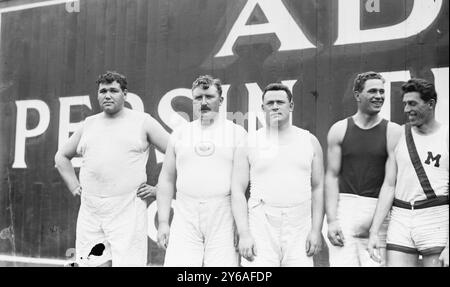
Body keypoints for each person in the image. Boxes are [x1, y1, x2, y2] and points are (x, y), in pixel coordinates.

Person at [55, 71, 169, 267]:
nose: (107, 95)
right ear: (98, 94)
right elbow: (61, 157)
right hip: (91, 211)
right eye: (103, 91)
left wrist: (159, 188)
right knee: (92, 264)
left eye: (114, 90)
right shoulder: (88, 124)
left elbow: (176, 153)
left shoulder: (143, 121)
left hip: (127, 209)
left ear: (125, 94)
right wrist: (74, 186)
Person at [156, 75, 247, 266]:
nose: (203, 102)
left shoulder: (237, 134)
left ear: (221, 100)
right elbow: (166, 179)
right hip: (185, 211)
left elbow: (241, 187)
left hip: (223, 212)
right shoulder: (180, 134)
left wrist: (242, 227)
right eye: (198, 98)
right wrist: (163, 222)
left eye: (209, 96)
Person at [231, 83, 325, 267]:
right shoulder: (249, 142)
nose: (275, 106)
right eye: (270, 102)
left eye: (280, 102)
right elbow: (237, 190)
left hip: (300, 224)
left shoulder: (310, 141)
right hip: (261, 223)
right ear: (262, 107)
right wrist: (244, 233)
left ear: (291, 106)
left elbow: (318, 187)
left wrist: (316, 230)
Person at [368, 78, 449, 267]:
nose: (406, 110)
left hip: (435, 217)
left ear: (430, 104)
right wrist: (374, 231)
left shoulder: (445, 136)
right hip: (401, 217)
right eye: (405, 104)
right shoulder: (398, 135)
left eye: (412, 103)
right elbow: (389, 185)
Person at [325, 71, 402, 266]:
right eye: (372, 91)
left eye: (382, 91)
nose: (379, 96)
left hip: (377, 212)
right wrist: (332, 220)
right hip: (344, 210)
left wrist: (375, 229)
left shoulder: (393, 131)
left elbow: (390, 184)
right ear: (357, 95)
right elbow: (331, 177)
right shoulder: (339, 129)